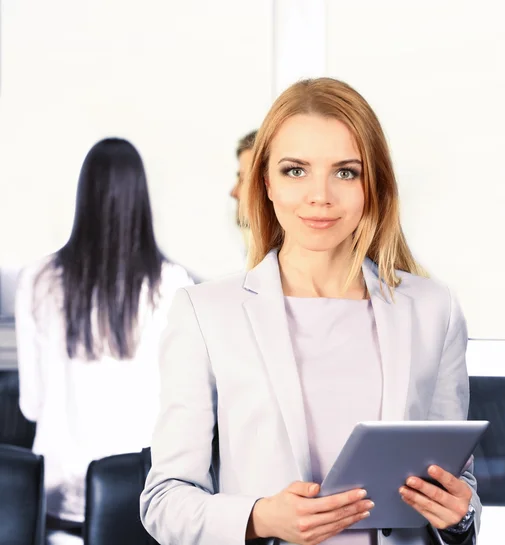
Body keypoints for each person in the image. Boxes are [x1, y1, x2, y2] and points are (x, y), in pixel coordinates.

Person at [140, 78, 480, 545]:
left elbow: (458, 486)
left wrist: (458, 517)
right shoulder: (205, 313)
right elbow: (165, 500)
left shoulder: (432, 309)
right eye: (295, 170)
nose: (320, 196)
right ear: (266, 183)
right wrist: (261, 518)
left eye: (346, 172)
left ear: (372, 184)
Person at [15, 138, 194, 543]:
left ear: (84, 196)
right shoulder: (173, 284)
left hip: (59, 503)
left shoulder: (38, 281)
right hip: (144, 500)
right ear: (141, 200)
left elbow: (31, 404)